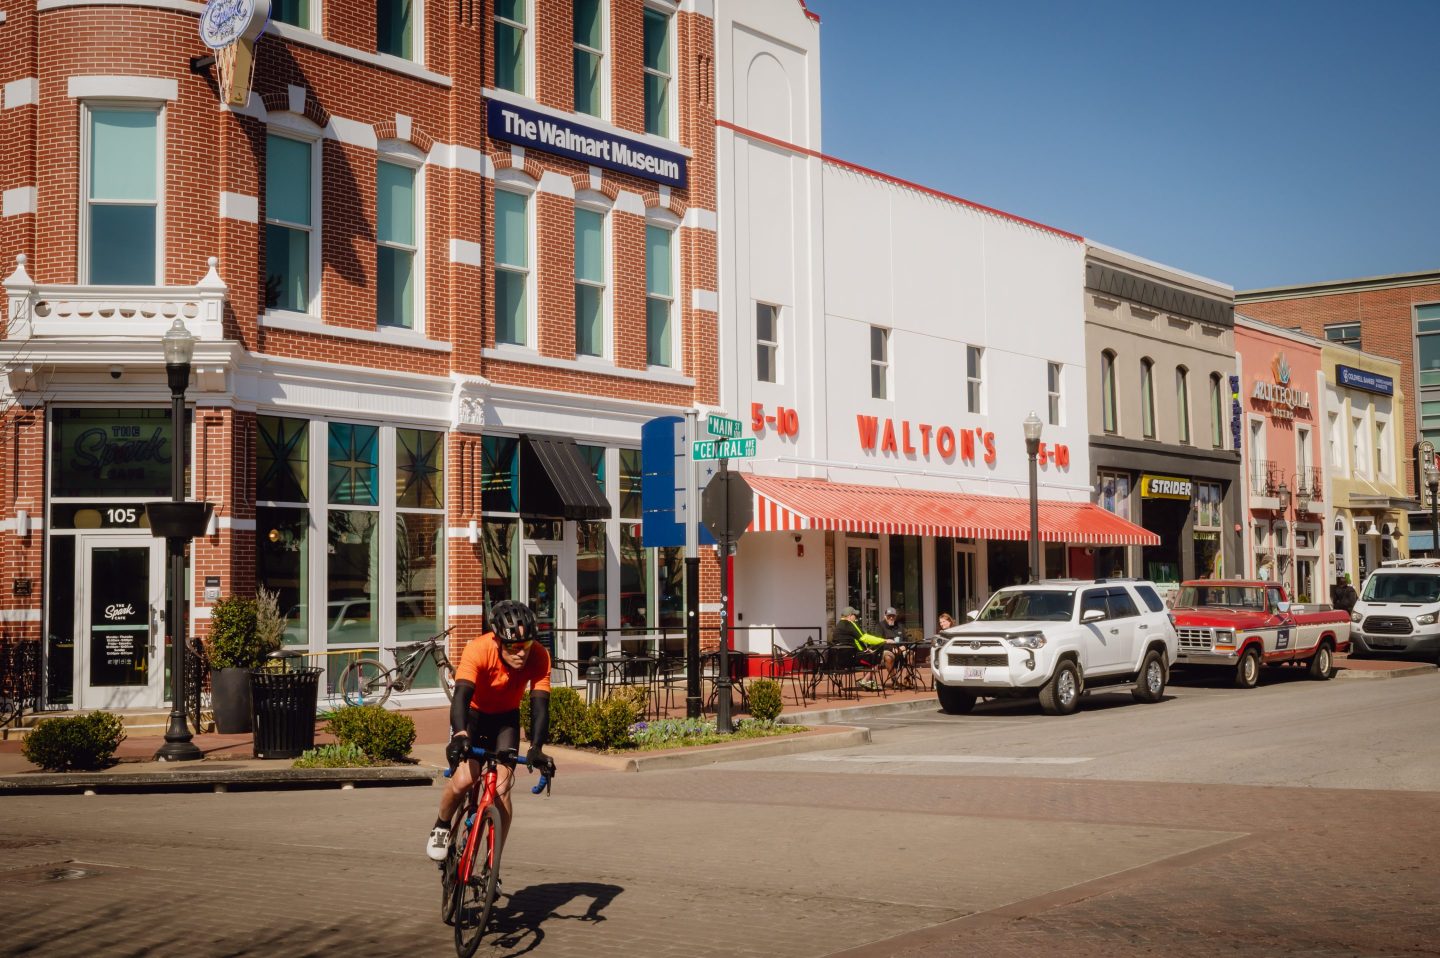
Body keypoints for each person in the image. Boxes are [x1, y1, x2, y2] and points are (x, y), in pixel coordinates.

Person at [426, 599, 555, 862]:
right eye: (514, 647)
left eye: (527, 645)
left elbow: (540, 706)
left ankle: (491, 863)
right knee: (464, 780)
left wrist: (537, 748)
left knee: (501, 792)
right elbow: (461, 696)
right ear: (497, 641)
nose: (522, 653)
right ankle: (441, 825)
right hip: (473, 716)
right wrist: (460, 734)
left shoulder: (539, 656)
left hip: (505, 720)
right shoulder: (478, 649)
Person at [835, 606, 893, 691]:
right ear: (850, 615)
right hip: (853, 658)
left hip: (841, 659)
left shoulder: (839, 625)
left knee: (869, 654)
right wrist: (884, 640)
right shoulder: (850, 624)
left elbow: (851, 642)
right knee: (876, 658)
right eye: (855, 615)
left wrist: (864, 650)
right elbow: (865, 638)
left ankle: (868, 681)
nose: (856, 618)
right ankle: (865, 681)